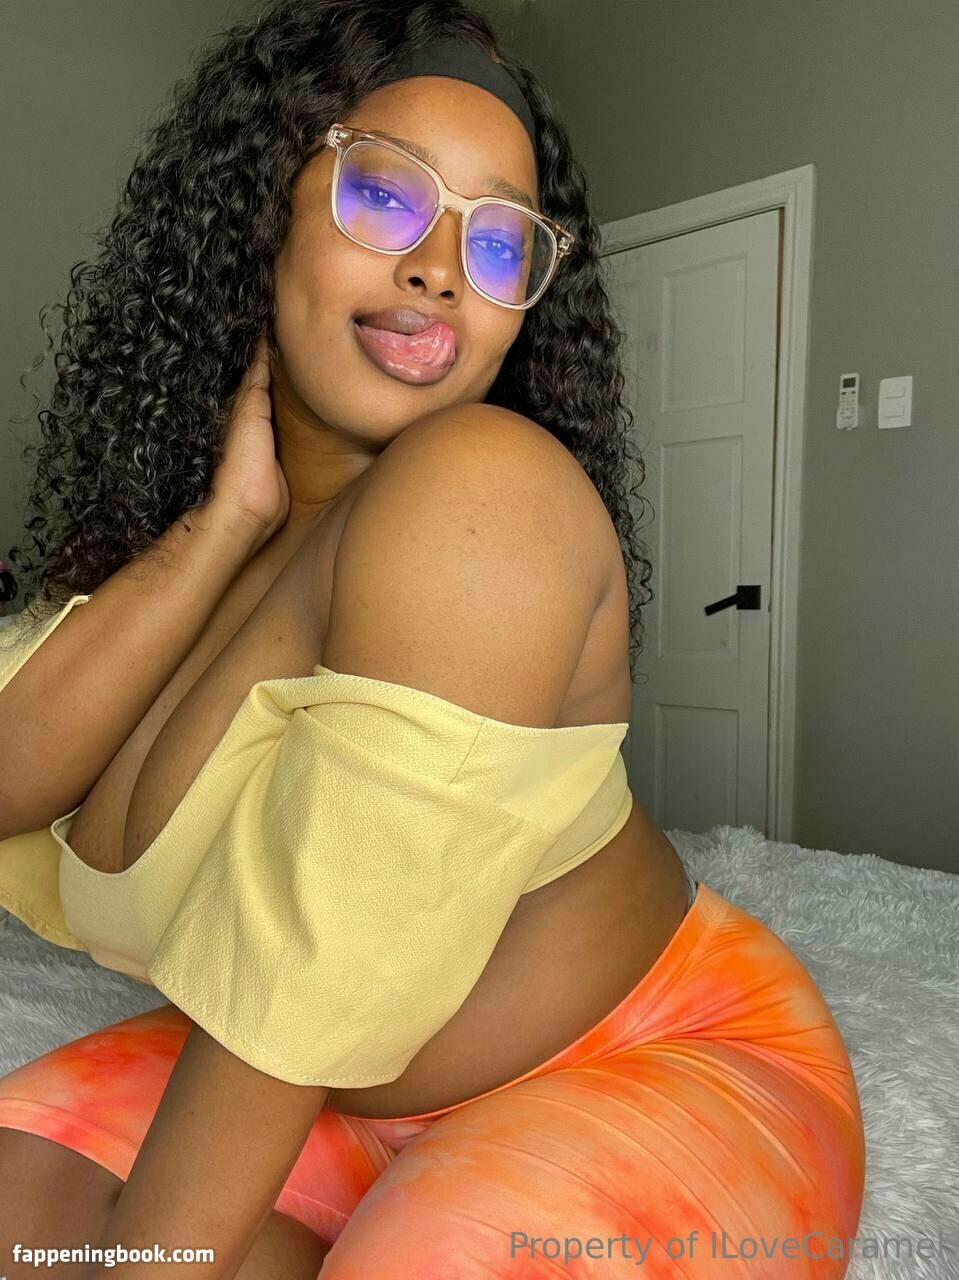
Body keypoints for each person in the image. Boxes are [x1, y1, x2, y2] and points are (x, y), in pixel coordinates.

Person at [0, 1, 865, 1275]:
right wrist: (219, 529)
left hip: (644, 1058)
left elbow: (307, 975)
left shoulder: (484, 497)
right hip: (338, 1098)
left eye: (500, 239)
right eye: (385, 194)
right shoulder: (212, 547)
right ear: (258, 211)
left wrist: (144, 1258)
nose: (440, 267)